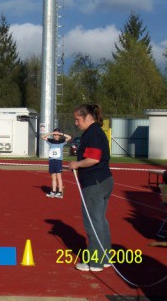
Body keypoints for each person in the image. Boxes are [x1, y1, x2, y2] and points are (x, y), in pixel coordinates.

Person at [68, 104, 113, 272]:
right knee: (101, 220)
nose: (76, 123)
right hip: (103, 180)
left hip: (94, 183)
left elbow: (93, 159)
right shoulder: (95, 132)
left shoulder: (93, 133)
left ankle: (95, 262)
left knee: (93, 223)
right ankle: (105, 257)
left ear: (88, 117)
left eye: (77, 119)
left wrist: (76, 164)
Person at [42, 128, 71, 198]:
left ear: (59, 135)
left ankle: (60, 192)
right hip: (52, 161)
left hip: (58, 161)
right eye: (54, 135)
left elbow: (69, 137)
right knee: (53, 177)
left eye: (57, 135)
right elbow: (43, 137)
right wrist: (51, 133)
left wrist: (61, 134)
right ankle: (53, 192)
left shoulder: (62, 141)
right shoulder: (50, 141)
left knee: (59, 177)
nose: (55, 136)